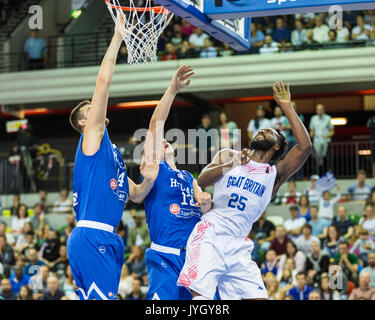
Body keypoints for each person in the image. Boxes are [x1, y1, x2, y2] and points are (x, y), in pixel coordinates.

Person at [178, 81, 312, 300]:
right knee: (201, 298)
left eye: (268, 132)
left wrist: (286, 106)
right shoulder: (229, 155)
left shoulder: (273, 174)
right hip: (212, 232)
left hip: (239, 244)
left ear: (276, 146)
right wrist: (231, 165)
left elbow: (305, 147)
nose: (262, 132)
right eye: (260, 130)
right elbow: (202, 180)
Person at [66, 19, 158, 300]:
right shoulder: (91, 139)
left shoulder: (111, 155)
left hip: (103, 237)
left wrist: (149, 179)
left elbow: (138, 196)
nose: (97, 108)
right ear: (84, 121)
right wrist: (118, 36)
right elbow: (103, 81)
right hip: (93, 236)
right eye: (91, 108)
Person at [140, 66, 212, 300]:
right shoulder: (155, 171)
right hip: (166, 255)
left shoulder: (188, 177)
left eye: (164, 140)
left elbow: (205, 206)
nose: (162, 141)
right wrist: (172, 89)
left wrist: (206, 200)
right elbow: (155, 125)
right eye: (156, 143)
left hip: (195, 255)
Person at [309, 104, 334, 174]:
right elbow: (312, 130)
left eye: (321, 109)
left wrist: (328, 135)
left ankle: (329, 174)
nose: (319, 111)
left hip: (326, 141)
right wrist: (310, 135)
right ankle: (316, 175)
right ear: (316, 111)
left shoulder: (328, 118)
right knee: (316, 160)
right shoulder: (313, 118)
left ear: (324, 110)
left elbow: (332, 131)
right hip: (316, 142)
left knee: (328, 159)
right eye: (318, 109)